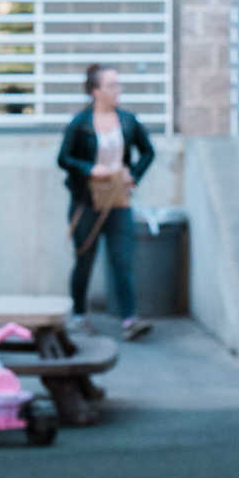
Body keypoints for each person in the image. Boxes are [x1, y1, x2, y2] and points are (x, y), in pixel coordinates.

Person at [57, 64, 155, 341]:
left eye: (118, 84)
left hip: (118, 199)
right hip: (86, 200)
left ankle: (129, 319)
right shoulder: (80, 124)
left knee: (122, 259)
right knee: (84, 257)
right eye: (111, 85)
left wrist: (133, 175)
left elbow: (148, 152)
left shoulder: (128, 120)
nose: (117, 90)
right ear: (96, 91)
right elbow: (63, 159)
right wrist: (89, 168)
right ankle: (79, 315)